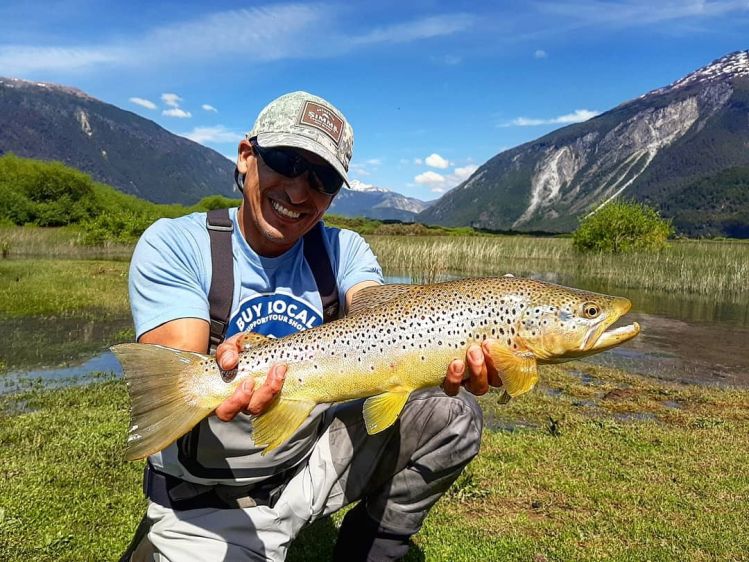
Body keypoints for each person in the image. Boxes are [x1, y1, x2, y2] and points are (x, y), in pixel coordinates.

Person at [122, 91, 501, 561]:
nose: (300, 192)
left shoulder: (345, 250)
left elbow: (376, 308)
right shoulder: (175, 243)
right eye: (285, 161)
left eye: (321, 178)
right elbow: (180, 368)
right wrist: (225, 366)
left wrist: (459, 335)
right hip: (207, 501)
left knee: (454, 414)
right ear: (246, 158)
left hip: (310, 465)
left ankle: (370, 550)